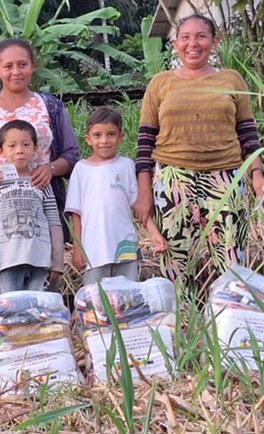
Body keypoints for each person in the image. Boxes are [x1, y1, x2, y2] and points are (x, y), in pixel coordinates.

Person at [135, 14, 264, 289]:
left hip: (226, 179)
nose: (192, 44)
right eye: (185, 37)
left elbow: (248, 134)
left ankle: (230, 315)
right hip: (173, 180)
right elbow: (145, 142)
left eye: (201, 36)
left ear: (214, 42)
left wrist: (257, 173)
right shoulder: (160, 83)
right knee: (174, 265)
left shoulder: (232, 79)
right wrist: (144, 192)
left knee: (232, 264)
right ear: (175, 44)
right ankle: (182, 315)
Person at [0, 38, 79, 302]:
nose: (16, 72)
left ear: (33, 66)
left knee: (42, 288)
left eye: (22, 64)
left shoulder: (50, 106)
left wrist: (51, 169)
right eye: (8, 66)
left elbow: (71, 154)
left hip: (41, 208)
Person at [66, 107, 168, 286]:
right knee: (95, 297)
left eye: (111, 134)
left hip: (124, 247)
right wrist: (77, 247)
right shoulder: (81, 169)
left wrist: (154, 234)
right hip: (94, 250)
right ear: (88, 139)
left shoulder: (127, 166)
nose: (104, 141)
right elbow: (76, 214)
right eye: (97, 135)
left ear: (121, 137)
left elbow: (138, 206)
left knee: (128, 295)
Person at [0, 120, 63, 293]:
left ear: (35, 148)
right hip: (8, 260)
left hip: (40, 260)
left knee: (37, 305)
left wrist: (57, 261)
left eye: (26, 145)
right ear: (0, 150)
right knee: (10, 304)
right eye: (12, 146)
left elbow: (54, 222)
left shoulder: (40, 181)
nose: (19, 150)